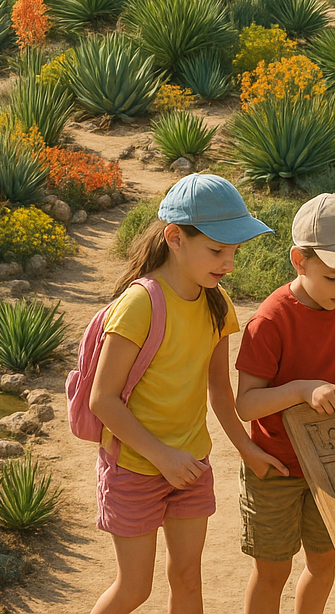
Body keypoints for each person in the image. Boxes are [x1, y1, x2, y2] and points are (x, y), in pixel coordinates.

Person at [88, 173, 283, 614]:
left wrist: (247, 449)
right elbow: (103, 399)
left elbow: (220, 391)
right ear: (175, 238)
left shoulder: (217, 302)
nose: (228, 263)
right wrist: (163, 457)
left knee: (188, 579)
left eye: (234, 250)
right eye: (217, 250)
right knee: (134, 589)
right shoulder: (139, 304)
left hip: (192, 466)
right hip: (135, 468)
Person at [235, 193, 335, 614]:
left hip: (331, 461)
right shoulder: (269, 321)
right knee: (272, 571)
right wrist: (302, 390)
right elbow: (247, 404)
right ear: (299, 261)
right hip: (275, 466)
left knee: (324, 563)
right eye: (333, 278)